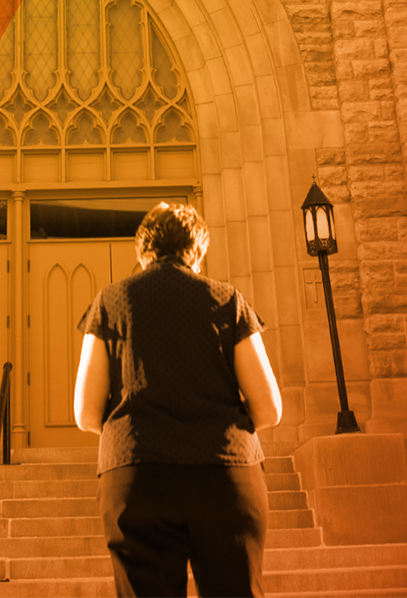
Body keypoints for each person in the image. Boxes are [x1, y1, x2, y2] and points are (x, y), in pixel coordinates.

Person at [74, 202, 283, 598]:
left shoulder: (109, 302)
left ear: (142, 253)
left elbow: (85, 413)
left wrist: (134, 429)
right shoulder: (227, 300)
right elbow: (269, 408)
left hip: (137, 477)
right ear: (198, 251)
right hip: (224, 474)